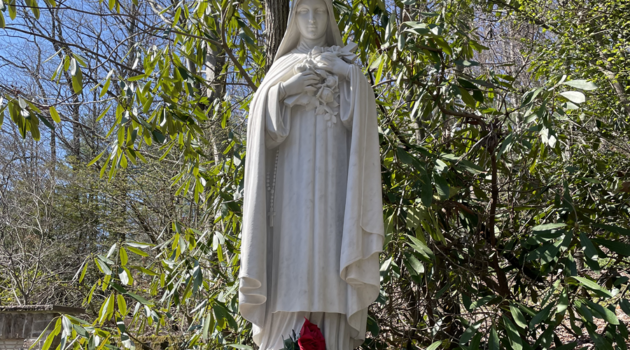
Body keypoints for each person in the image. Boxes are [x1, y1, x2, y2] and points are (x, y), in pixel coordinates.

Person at [239, 0, 384, 348]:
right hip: (290, 193)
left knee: (332, 264)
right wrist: (286, 90)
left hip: (335, 194)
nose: (313, 19)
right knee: (291, 267)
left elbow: (362, 125)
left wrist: (347, 74)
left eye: (320, 11)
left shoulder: (345, 65)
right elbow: (261, 132)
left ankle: (332, 333)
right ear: (293, 19)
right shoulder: (282, 68)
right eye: (304, 11)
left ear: (329, 17)